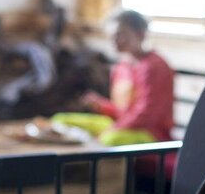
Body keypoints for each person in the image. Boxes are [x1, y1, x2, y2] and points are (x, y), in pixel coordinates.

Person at [56, 8, 174, 146]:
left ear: (140, 34)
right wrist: (101, 105)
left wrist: (114, 129)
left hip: (148, 133)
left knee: (109, 140)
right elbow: (122, 111)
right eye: (112, 36)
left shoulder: (154, 66)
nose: (114, 41)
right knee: (60, 121)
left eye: (120, 35)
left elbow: (147, 114)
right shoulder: (122, 66)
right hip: (121, 124)